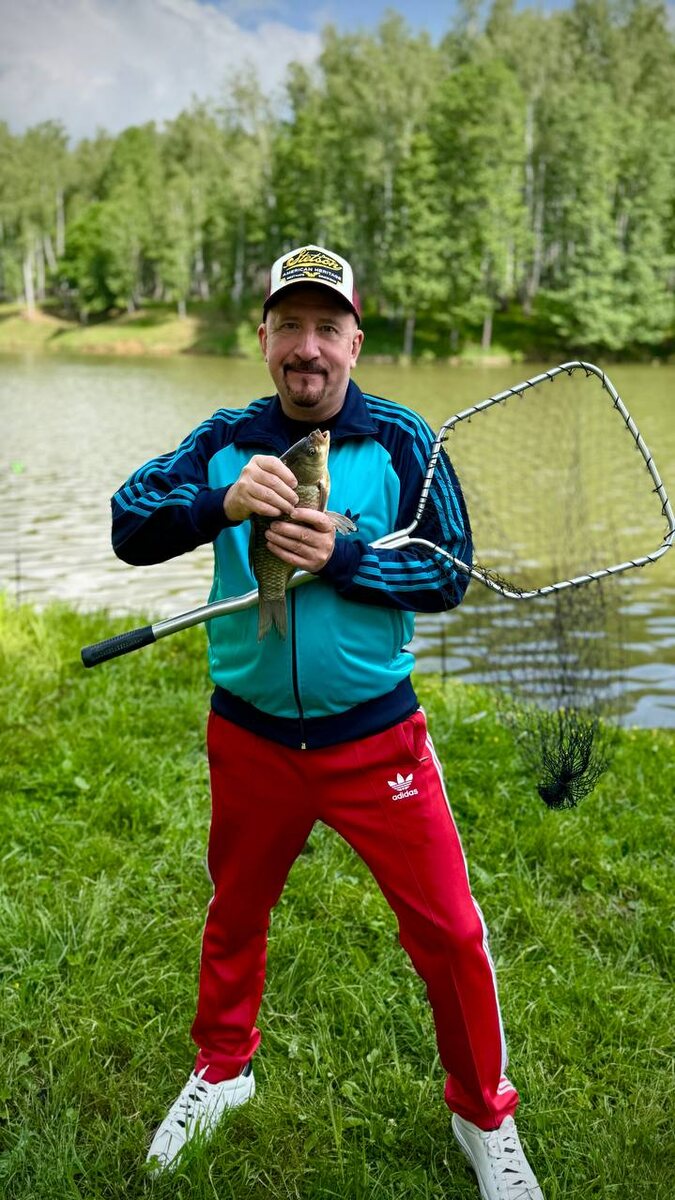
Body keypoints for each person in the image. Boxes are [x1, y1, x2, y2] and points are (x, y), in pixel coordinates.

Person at [111, 244, 545, 1199]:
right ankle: (223, 1069)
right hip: (250, 734)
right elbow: (128, 524)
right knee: (235, 911)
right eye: (289, 327)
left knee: (449, 933)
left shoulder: (401, 439)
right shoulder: (226, 437)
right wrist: (219, 503)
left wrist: (344, 561)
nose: (306, 348)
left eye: (325, 328)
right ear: (264, 338)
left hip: (374, 736)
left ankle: (482, 1114)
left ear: (355, 341)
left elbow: (450, 570)